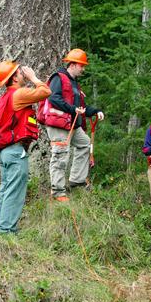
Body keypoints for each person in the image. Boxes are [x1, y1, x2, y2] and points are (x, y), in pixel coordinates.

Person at [0, 60, 51, 234]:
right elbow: (46, 91)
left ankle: (1, 227)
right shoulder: (18, 94)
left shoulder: (4, 98)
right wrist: (34, 77)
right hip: (15, 151)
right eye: (20, 72)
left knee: (5, 190)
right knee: (14, 192)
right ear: (15, 78)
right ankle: (7, 230)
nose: (23, 73)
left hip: (5, 152)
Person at [43, 48, 104, 202]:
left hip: (72, 125)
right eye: (82, 66)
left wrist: (95, 111)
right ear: (73, 64)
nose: (83, 69)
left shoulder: (74, 84)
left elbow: (81, 108)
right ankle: (57, 193)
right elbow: (53, 98)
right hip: (59, 124)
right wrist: (72, 109)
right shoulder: (59, 78)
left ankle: (76, 181)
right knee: (60, 156)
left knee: (84, 144)